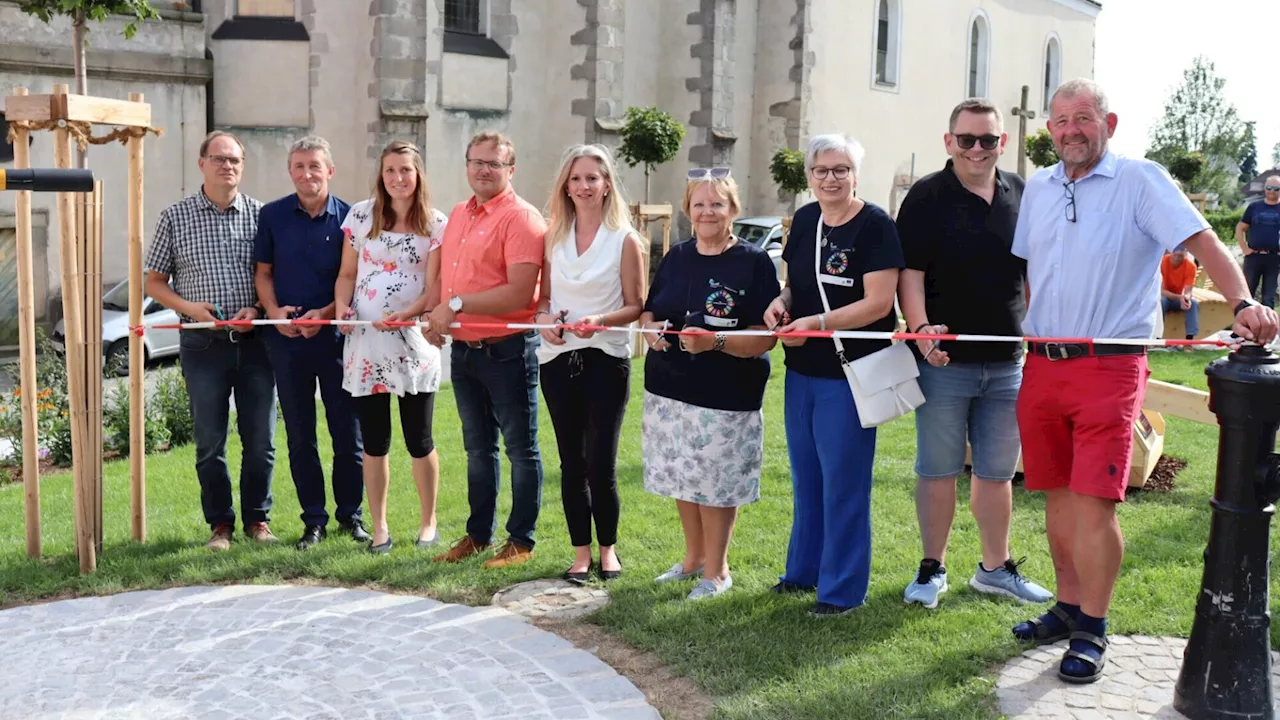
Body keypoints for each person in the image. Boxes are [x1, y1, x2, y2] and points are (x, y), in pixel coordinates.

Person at [1010, 78, 1277, 685]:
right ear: (1049, 131)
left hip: (1110, 365)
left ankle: (1093, 629)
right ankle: (1067, 606)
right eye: (1061, 121)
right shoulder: (1041, 190)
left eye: (1084, 118)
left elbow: (1202, 241)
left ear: (1110, 121)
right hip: (1042, 366)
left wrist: (1240, 303)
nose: (1072, 129)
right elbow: (1034, 274)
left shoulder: (1141, 180)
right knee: (1054, 494)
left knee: (1095, 504)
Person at [894, 100, 1052, 609]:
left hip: (1008, 361)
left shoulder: (1022, 193)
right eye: (967, 140)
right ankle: (931, 569)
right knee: (938, 469)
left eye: (988, 140)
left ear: (1003, 143)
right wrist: (921, 331)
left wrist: (1040, 330)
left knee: (997, 472)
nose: (978, 149)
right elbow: (910, 274)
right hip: (944, 365)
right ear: (949, 142)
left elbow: (1033, 273)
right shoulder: (925, 196)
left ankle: (994, 568)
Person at [763, 134, 904, 617]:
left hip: (850, 374)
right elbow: (792, 284)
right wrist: (781, 306)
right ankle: (802, 572)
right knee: (806, 477)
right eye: (821, 170)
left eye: (841, 169)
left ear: (855, 175)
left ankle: (841, 590)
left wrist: (817, 324)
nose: (831, 178)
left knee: (843, 482)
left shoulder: (876, 226)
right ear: (809, 176)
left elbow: (880, 303)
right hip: (801, 370)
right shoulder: (804, 220)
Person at [639, 169, 780, 601]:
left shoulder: (754, 262)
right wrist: (650, 332)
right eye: (699, 204)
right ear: (687, 210)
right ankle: (693, 559)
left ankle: (717, 572)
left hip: (725, 392)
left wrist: (715, 342)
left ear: (733, 210)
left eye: (717, 204)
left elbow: (766, 335)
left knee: (717, 482)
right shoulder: (677, 256)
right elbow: (649, 312)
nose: (707, 212)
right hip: (670, 388)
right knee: (683, 476)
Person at [144, 130, 277, 551]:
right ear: (201, 163)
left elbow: (272, 278)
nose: (228, 166)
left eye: (235, 160)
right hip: (203, 345)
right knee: (209, 442)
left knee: (261, 440)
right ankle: (220, 525)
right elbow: (153, 282)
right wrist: (189, 307)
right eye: (219, 158)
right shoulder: (175, 217)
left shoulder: (261, 216)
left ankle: (258, 520)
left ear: (243, 166)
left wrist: (256, 309)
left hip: (255, 343)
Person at [426, 131, 547, 568]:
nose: (482, 169)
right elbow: (449, 281)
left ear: (510, 170)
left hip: (508, 351)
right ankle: (478, 536)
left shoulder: (522, 219)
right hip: (465, 351)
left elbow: (518, 294)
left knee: (520, 448)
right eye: (476, 161)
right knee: (478, 448)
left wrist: (455, 306)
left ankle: (521, 541)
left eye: (493, 164)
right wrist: (438, 318)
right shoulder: (459, 213)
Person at [535, 145, 646, 583]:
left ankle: (608, 550)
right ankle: (580, 553)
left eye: (593, 178)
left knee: (602, 462)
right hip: (557, 359)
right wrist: (544, 319)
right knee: (571, 462)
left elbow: (637, 304)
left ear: (606, 186)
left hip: (606, 358)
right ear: (566, 185)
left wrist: (599, 321)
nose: (584, 186)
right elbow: (543, 299)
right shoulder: (552, 237)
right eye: (576, 178)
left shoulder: (625, 240)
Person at [254, 135, 369, 550]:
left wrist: (325, 314)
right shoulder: (272, 216)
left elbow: (354, 278)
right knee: (301, 436)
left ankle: (351, 517)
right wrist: (273, 312)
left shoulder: (351, 219)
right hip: (286, 341)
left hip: (335, 339)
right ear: (291, 172)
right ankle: (313, 521)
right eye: (299, 167)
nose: (307, 174)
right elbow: (263, 273)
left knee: (347, 434)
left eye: (315, 166)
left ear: (330, 171)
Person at [334, 140, 447, 554]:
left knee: (419, 438)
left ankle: (428, 522)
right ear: (380, 176)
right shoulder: (361, 216)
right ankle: (379, 527)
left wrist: (408, 314)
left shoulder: (435, 224)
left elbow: (435, 285)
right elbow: (347, 274)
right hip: (366, 344)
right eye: (390, 171)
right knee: (374, 440)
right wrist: (344, 308)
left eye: (406, 170)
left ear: (418, 176)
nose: (398, 178)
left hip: (412, 343)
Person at [1237, 176, 1280, 308]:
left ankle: (1268, 328)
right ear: (1264, 188)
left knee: (1268, 297)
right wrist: (1244, 248)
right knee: (1247, 295)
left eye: (1276, 188)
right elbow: (1240, 228)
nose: (1272, 191)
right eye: (1269, 188)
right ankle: (1244, 327)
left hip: (1274, 257)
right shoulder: (1254, 207)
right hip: (1253, 256)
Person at [1160, 246, 1200, 342]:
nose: (1178, 257)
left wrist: (1186, 299)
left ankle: (1189, 340)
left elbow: (1188, 291)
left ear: (1186, 253)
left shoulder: (1191, 266)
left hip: (1177, 298)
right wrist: (1180, 297)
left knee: (1193, 304)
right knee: (1161, 302)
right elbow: (1161, 291)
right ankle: (1157, 337)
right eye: (1176, 253)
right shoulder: (1162, 262)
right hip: (1163, 296)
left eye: (1181, 253)